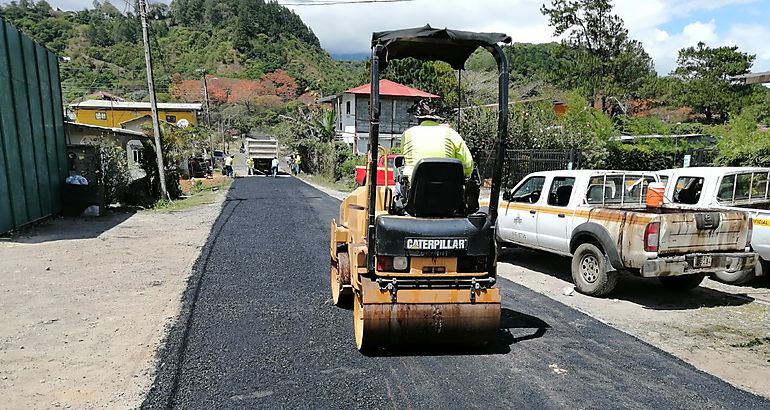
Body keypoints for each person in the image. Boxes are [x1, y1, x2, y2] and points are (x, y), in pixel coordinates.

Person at [394, 100, 474, 206]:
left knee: (399, 174)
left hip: (415, 197)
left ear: (417, 117)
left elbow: (405, 155)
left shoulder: (408, 134)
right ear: (438, 118)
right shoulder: (451, 134)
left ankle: (398, 206)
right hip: (449, 198)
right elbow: (468, 165)